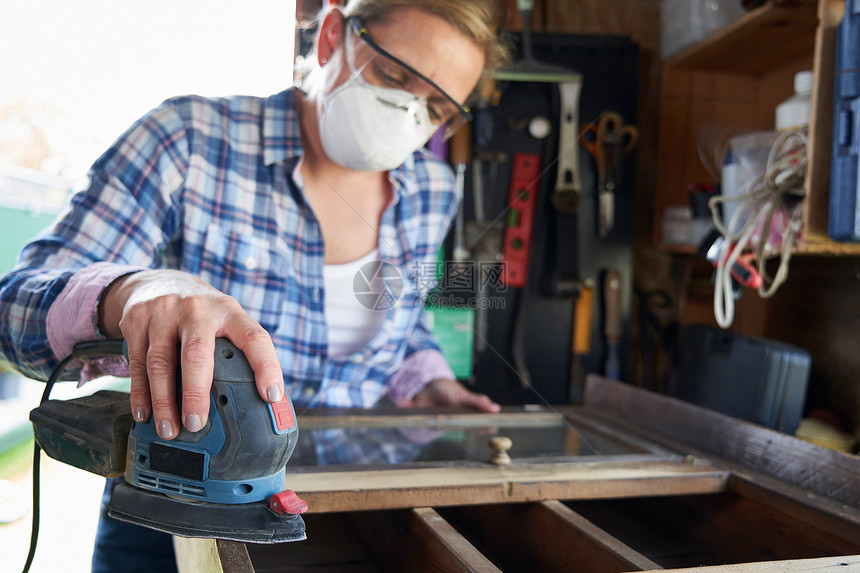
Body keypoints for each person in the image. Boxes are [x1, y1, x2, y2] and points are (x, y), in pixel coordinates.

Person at [0, 0, 509, 571]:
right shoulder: (186, 141)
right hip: (177, 506)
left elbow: (398, 311)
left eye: (437, 106)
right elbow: (13, 313)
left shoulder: (433, 191)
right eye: (395, 76)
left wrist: (427, 376)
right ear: (333, 37)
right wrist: (132, 294)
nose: (409, 110)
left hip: (350, 505)